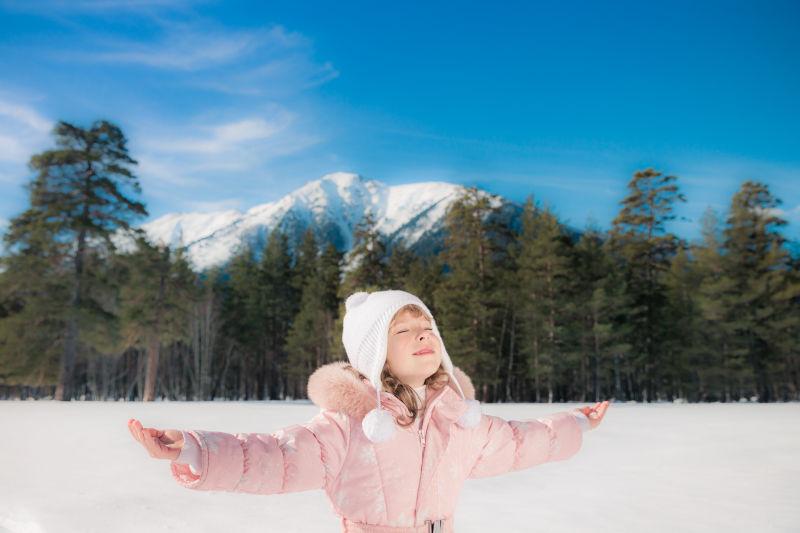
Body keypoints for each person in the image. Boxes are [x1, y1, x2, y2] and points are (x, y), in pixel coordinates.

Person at [128, 290, 609, 532]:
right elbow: (274, 456)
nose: (423, 336)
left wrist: (576, 422)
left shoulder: (458, 420)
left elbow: (520, 442)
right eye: (404, 331)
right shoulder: (349, 424)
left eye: (428, 328)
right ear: (373, 352)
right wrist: (192, 449)